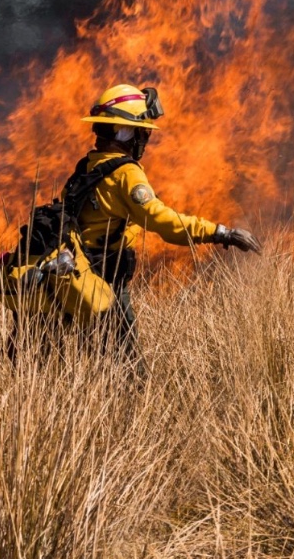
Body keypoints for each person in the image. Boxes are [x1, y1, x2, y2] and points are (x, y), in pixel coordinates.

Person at [64, 83, 262, 364]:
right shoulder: (125, 173)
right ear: (126, 131)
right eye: (143, 133)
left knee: (91, 360)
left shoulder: (87, 166)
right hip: (104, 279)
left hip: (78, 276)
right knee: (127, 367)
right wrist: (220, 232)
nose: (144, 140)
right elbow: (161, 220)